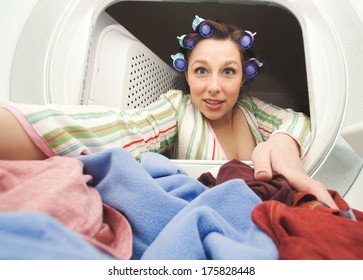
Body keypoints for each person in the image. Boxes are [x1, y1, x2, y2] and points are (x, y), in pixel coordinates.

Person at [0, 16, 338, 209]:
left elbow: (296, 121)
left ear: (243, 78)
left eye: (229, 71)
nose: (214, 87)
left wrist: (281, 144)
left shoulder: (251, 110)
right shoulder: (177, 109)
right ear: (187, 75)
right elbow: (126, 128)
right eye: (201, 71)